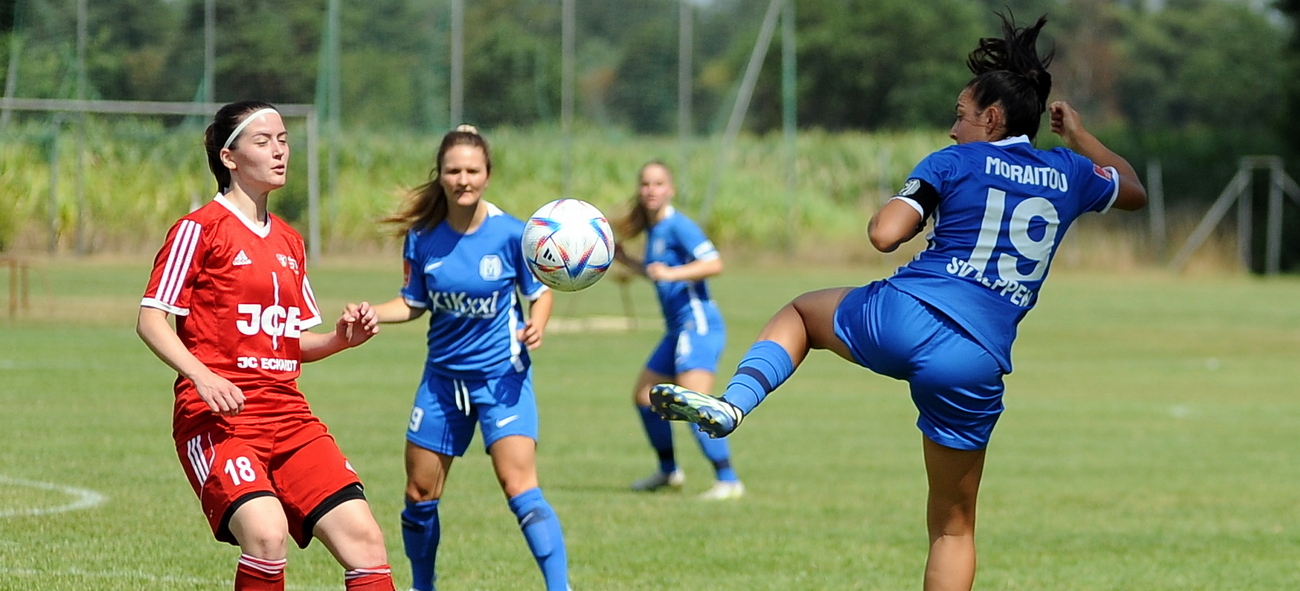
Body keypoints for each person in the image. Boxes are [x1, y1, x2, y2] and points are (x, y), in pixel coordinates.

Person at [649, 13, 1146, 591]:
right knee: (953, 530)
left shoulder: (952, 161)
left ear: (991, 117)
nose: (953, 127)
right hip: (976, 359)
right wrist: (1079, 135)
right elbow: (1132, 189)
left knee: (802, 314)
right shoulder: (1070, 172)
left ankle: (734, 405)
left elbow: (885, 234)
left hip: (905, 316)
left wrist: (917, 193)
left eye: (961, 116)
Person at [136, 101, 396, 591]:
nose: (279, 151)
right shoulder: (199, 229)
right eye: (263, 141)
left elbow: (289, 341)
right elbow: (151, 320)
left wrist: (343, 339)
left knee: (364, 541)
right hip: (218, 419)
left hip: (289, 416)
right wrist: (204, 375)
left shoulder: (290, 242)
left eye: (283, 140)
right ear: (229, 158)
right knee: (266, 534)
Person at [370, 125, 570, 591]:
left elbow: (539, 292)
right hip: (441, 384)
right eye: (453, 170)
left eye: (472, 171)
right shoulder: (422, 237)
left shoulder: (513, 234)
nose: (463, 179)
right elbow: (412, 303)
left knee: (520, 487)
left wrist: (538, 321)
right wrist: (369, 312)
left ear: (488, 175)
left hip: (502, 379)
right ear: (439, 175)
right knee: (420, 495)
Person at [613, 161, 744, 500]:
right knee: (645, 397)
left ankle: (728, 480)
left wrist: (672, 274)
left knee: (696, 404)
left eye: (658, 183)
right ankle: (668, 472)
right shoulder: (655, 231)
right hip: (676, 330)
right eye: (645, 184)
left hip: (697, 325)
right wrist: (628, 263)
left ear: (670, 189)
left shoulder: (678, 226)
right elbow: (658, 271)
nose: (651, 190)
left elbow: (714, 263)